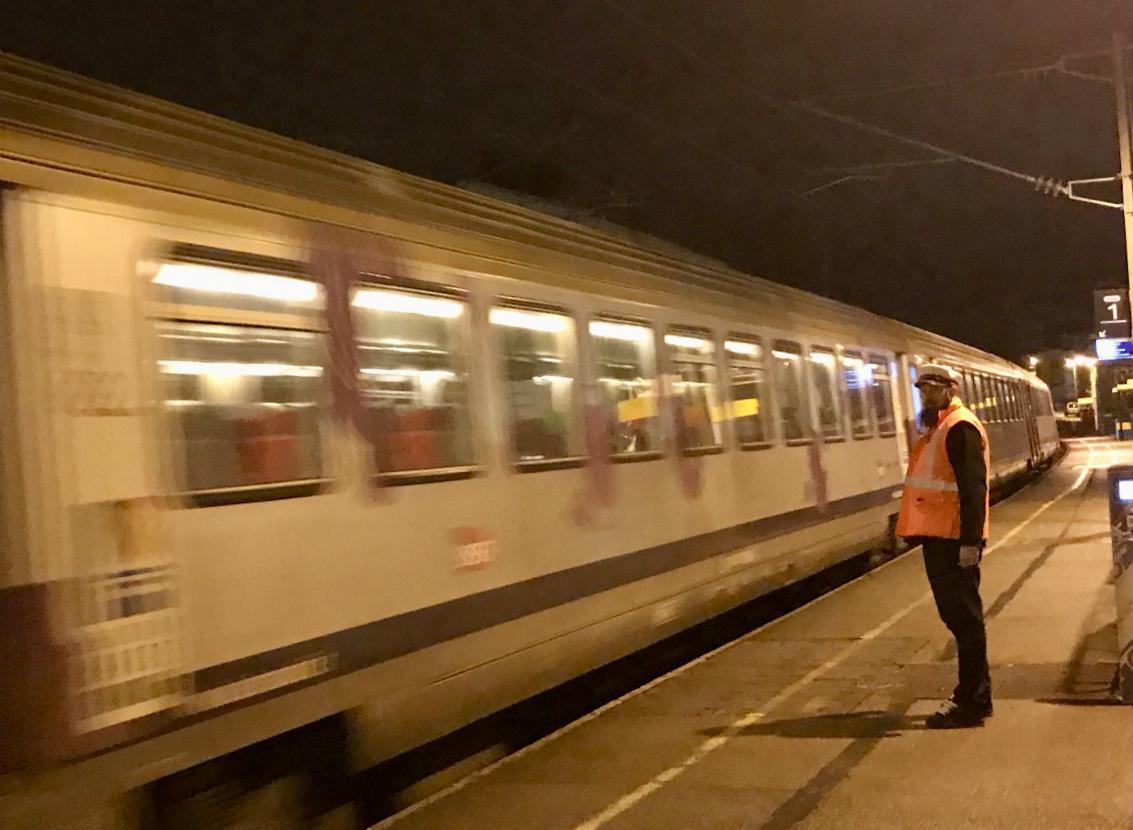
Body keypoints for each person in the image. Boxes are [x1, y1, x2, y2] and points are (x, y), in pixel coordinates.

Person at [897, 364, 992, 728]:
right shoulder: (939, 428)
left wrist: (970, 542)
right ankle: (976, 698)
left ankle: (971, 701)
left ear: (951, 390)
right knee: (958, 618)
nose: (926, 395)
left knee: (965, 620)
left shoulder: (959, 428)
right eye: (922, 389)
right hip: (940, 538)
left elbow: (973, 489)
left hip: (954, 540)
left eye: (933, 389)